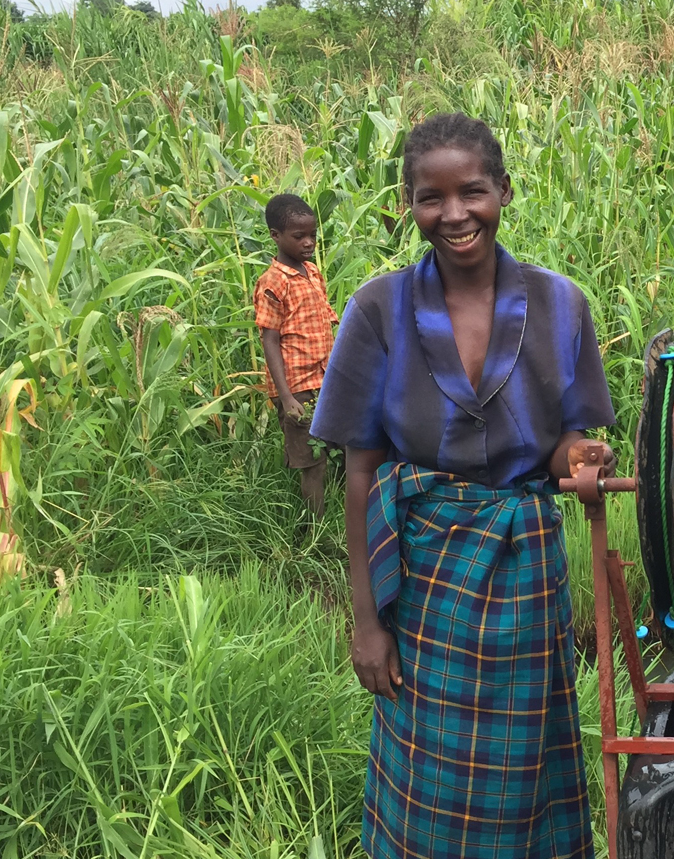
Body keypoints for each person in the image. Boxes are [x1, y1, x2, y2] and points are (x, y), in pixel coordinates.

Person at [308, 113, 616, 859]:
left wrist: (578, 459)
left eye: (471, 192)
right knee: (427, 776)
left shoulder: (558, 303)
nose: (453, 215)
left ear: (503, 191)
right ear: (409, 204)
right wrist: (367, 621)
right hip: (424, 579)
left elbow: (566, 439)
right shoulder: (377, 310)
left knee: (522, 770)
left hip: (524, 574)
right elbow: (360, 470)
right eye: (429, 198)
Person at [255, 193, 337, 519]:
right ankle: (315, 534)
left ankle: (336, 518)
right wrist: (286, 398)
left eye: (313, 235)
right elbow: (269, 339)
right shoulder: (273, 282)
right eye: (299, 236)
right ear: (276, 236)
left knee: (333, 450)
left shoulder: (312, 272)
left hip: (325, 379)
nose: (309, 243)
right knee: (311, 463)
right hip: (298, 386)